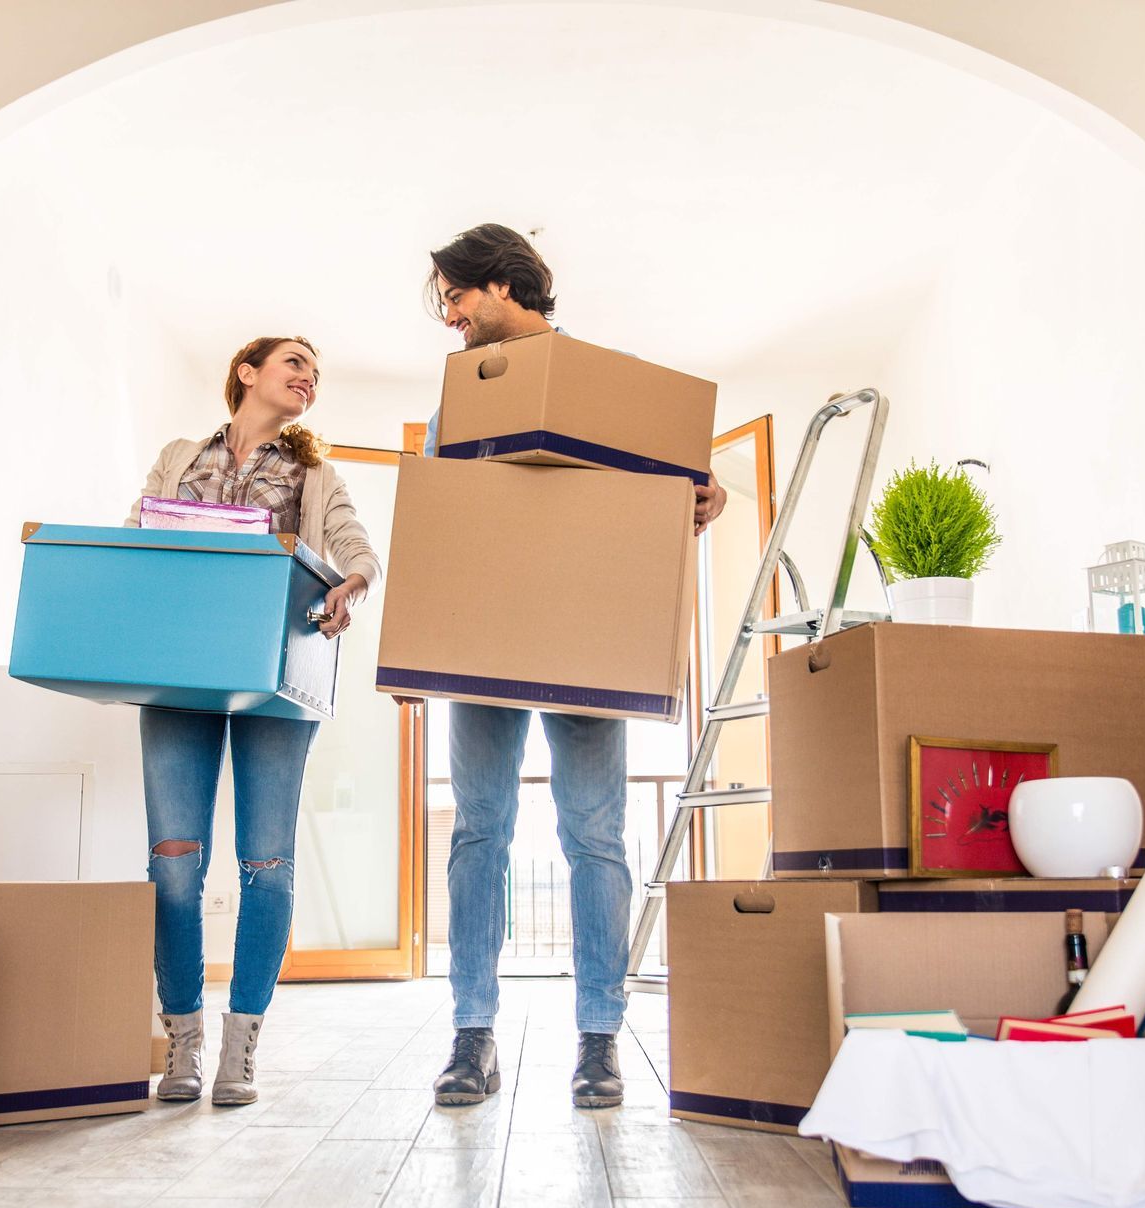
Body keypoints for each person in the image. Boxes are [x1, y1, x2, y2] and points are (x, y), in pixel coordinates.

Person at [411, 225, 727, 1109]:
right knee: (479, 833)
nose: (451, 316)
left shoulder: (605, 386)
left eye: (457, 296)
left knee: (592, 834)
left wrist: (706, 494)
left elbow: (666, 485)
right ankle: (473, 1035)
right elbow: (446, 517)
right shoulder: (456, 403)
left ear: (504, 283)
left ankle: (599, 1040)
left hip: (586, 639)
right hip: (485, 639)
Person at [130, 335, 381, 1106]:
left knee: (265, 863)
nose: (308, 378)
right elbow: (138, 536)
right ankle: (183, 1046)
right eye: (294, 363)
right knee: (174, 864)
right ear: (247, 373)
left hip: (277, 674)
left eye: (315, 372)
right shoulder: (178, 455)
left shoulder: (316, 472)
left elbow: (356, 549)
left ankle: (241, 1047)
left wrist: (353, 586)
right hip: (178, 672)